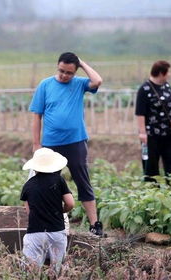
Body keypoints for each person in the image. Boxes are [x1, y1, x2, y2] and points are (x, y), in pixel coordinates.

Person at [29, 52, 103, 236]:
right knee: (42, 183)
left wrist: (82, 62)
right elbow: (36, 115)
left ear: (75, 71)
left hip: (75, 142)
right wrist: (36, 144)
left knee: (82, 180)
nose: (64, 75)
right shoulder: (45, 85)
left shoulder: (79, 84)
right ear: (57, 66)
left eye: (69, 72)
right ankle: (40, 221)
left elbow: (97, 81)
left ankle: (95, 225)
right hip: (50, 144)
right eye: (61, 71)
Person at [20, 148, 74, 271]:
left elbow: (29, 212)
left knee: (30, 271)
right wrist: (61, 211)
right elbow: (70, 203)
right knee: (57, 269)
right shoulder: (58, 180)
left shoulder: (28, 185)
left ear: (35, 167)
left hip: (35, 233)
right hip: (57, 231)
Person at [135, 60, 171, 189]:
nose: (170, 74)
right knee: (151, 164)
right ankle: (152, 191)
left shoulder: (167, 86)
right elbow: (140, 113)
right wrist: (142, 133)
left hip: (169, 133)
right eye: (168, 72)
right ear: (161, 73)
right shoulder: (144, 89)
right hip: (152, 134)